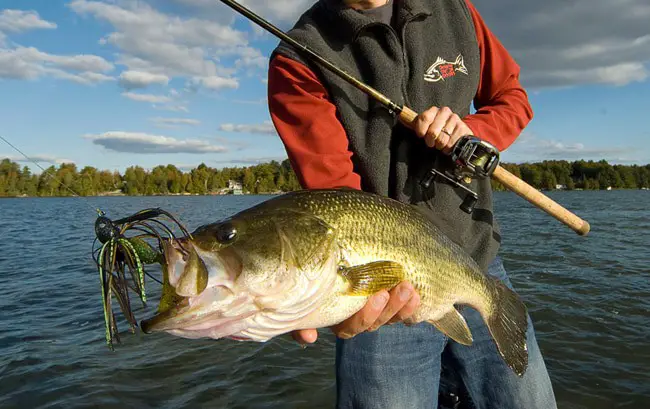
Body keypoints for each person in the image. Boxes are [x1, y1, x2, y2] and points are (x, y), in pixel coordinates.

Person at [266, 0, 557, 408]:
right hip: (383, 293)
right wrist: (329, 296)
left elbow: (512, 97)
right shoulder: (297, 58)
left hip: (479, 261)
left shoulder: (457, 10)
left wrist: (472, 130)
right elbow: (340, 201)